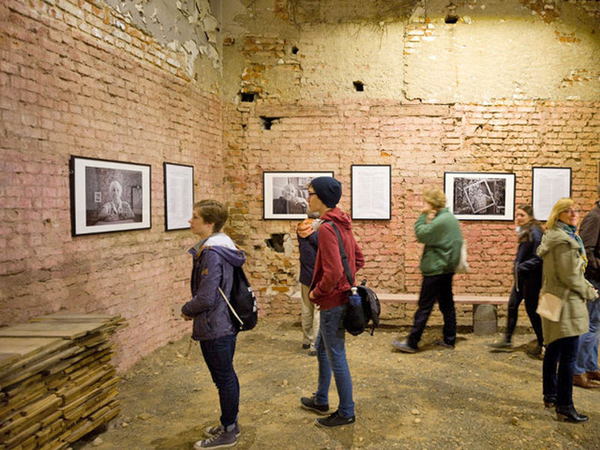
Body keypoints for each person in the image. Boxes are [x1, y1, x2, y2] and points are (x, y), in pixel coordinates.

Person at [300, 176, 364, 428]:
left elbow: (334, 271)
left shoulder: (327, 228)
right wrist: (345, 284)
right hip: (341, 298)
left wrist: (317, 292)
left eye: (311, 193)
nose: (308, 197)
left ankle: (346, 411)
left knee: (335, 355)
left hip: (331, 303)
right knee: (323, 350)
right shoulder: (341, 223)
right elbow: (358, 259)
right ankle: (321, 398)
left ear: (322, 197)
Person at [181, 200, 246, 448]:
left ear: (209, 223)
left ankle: (229, 431)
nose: (190, 220)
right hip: (223, 322)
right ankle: (230, 423)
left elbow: (207, 297)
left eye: (195, 216)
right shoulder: (224, 246)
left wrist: (187, 310)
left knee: (224, 378)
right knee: (226, 375)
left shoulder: (212, 253)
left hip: (215, 323)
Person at [537, 198, 597, 423]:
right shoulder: (565, 241)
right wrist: (590, 292)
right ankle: (564, 405)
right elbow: (570, 276)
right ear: (558, 214)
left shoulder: (557, 236)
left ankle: (550, 395)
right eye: (567, 211)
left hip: (553, 297)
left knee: (553, 349)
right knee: (569, 355)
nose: (573, 214)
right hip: (566, 302)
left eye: (575, 210)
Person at [393, 187, 463, 353]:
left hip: (436, 270)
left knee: (424, 306)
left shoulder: (441, 220)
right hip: (445, 269)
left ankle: (412, 342)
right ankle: (449, 339)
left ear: (432, 203)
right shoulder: (449, 218)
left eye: (426, 201)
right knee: (447, 305)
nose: (424, 204)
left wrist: (423, 215)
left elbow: (421, 234)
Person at [490, 205, 544, 354]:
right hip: (522, 278)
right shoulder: (527, 230)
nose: (518, 218)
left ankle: (543, 342)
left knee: (532, 310)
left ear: (530, 216)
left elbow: (539, 256)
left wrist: (521, 266)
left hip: (531, 278)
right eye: (517, 215)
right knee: (512, 305)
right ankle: (507, 340)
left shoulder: (535, 232)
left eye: (522, 215)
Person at [573, 185, 600, 389]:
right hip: (596, 279)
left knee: (596, 325)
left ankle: (590, 366)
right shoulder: (595, 216)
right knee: (592, 324)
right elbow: (587, 252)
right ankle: (577, 370)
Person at [297, 217, 320, 356]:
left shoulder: (300, 228)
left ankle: (306, 339)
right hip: (318, 276)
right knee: (318, 311)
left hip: (305, 275)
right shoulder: (318, 233)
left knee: (306, 308)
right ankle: (315, 346)